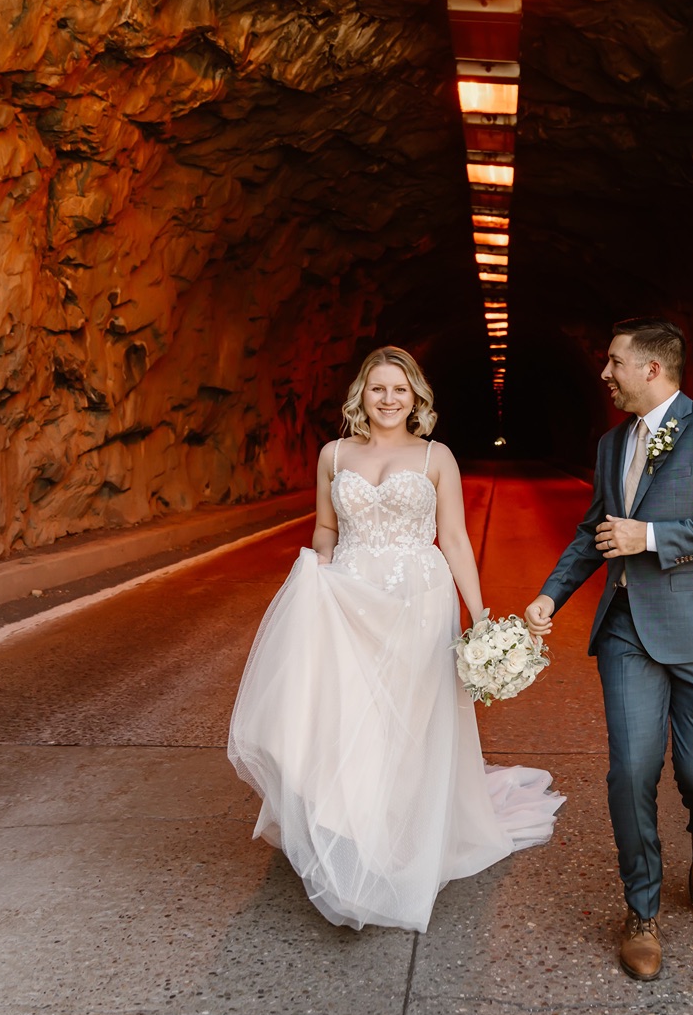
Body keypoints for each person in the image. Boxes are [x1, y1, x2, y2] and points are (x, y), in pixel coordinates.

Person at [228, 345, 564, 932]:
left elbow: (455, 540)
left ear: (417, 398)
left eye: (400, 390)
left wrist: (480, 615)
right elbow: (326, 529)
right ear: (361, 394)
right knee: (347, 716)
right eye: (378, 388)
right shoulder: (333, 455)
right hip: (348, 599)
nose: (388, 399)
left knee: (407, 719)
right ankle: (352, 831)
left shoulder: (437, 456)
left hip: (418, 599)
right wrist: (320, 585)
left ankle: (400, 839)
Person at [523, 317, 693, 980]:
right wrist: (553, 594)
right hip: (627, 631)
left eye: (613, 363)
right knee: (630, 772)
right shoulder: (611, 446)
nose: (603, 374)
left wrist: (653, 537)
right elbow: (593, 532)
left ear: (652, 370)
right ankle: (640, 909)